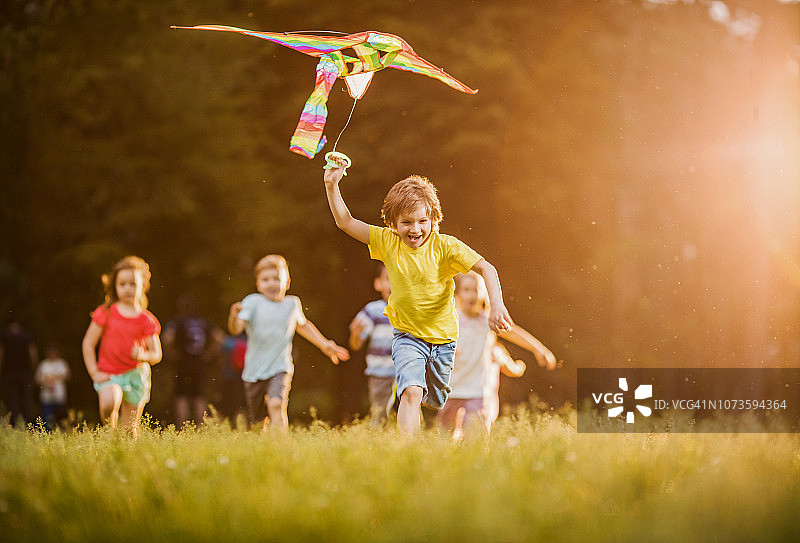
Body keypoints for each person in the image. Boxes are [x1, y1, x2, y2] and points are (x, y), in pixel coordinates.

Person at [324, 165, 514, 435]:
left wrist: (497, 305)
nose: (415, 229)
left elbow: (487, 269)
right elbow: (346, 222)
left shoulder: (446, 247)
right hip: (408, 336)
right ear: (393, 223)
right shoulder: (388, 242)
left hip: (444, 340)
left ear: (434, 220)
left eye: (422, 221)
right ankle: (408, 454)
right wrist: (332, 185)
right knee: (411, 392)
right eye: (406, 222)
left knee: (435, 401)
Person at [227, 254, 349, 432]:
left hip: (280, 367)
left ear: (287, 282)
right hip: (254, 371)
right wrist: (233, 316)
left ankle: (280, 446)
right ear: (258, 284)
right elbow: (236, 329)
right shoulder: (253, 302)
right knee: (258, 423)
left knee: (276, 404)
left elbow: (303, 325)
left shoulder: (292, 304)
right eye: (266, 279)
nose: (271, 283)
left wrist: (324, 344)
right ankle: (263, 448)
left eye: (277, 278)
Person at [436, 271, 556, 439]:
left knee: (476, 439)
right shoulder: (451, 318)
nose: (471, 294)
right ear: (457, 293)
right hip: (452, 389)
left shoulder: (487, 320)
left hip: (478, 391)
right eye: (466, 289)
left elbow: (513, 332)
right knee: (443, 436)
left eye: (475, 289)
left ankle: (476, 463)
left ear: (483, 293)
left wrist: (539, 349)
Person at [81, 256, 162, 438]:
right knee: (110, 401)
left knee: (130, 430)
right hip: (110, 373)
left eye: (133, 284)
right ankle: (110, 435)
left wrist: (142, 355)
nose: (127, 288)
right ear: (115, 286)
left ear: (143, 286)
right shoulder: (106, 313)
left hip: (136, 376)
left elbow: (156, 354)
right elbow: (88, 343)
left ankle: (125, 457)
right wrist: (94, 372)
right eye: (122, 284)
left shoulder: (146, 319)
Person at [162, 293, 222, 428]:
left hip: (182, 363)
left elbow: (167, 338)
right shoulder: (203, 321)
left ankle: (182, 428)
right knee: (199, 396)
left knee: (181, 396)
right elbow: (219, 337)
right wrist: (209, 353)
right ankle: (201, 428)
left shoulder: (177, 321)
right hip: (199, 363)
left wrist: (171, 353)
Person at [348, 263, 394, 425]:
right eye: (389, 278)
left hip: (404, 372)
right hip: (379, 373)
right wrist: (355, 334)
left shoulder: (411, 310)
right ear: (378, 284)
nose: (395, 283)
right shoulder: (373, 310)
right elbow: (356, 345)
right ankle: (378, 441)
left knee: (409, 407)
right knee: (380, 411)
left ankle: (409, 440)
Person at [0, 314, 38, 426]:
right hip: (25, 372)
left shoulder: (5, 335)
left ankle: (13, 423)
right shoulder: (26, 335)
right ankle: (28, 424)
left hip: (9, 372)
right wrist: (33, 368)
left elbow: (1, 353)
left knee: (11, 399)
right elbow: (33, 353)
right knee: (26, 400)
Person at [34, 345, 71, 430]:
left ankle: (62, 433)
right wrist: (46, 380)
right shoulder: (43, 364)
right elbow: (37, 380)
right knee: (47, 418)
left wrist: (56, 377)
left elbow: (68, 375)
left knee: (61, 418)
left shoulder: (61, 363)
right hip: (46, 397)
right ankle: (48, 435)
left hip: (59, 396)